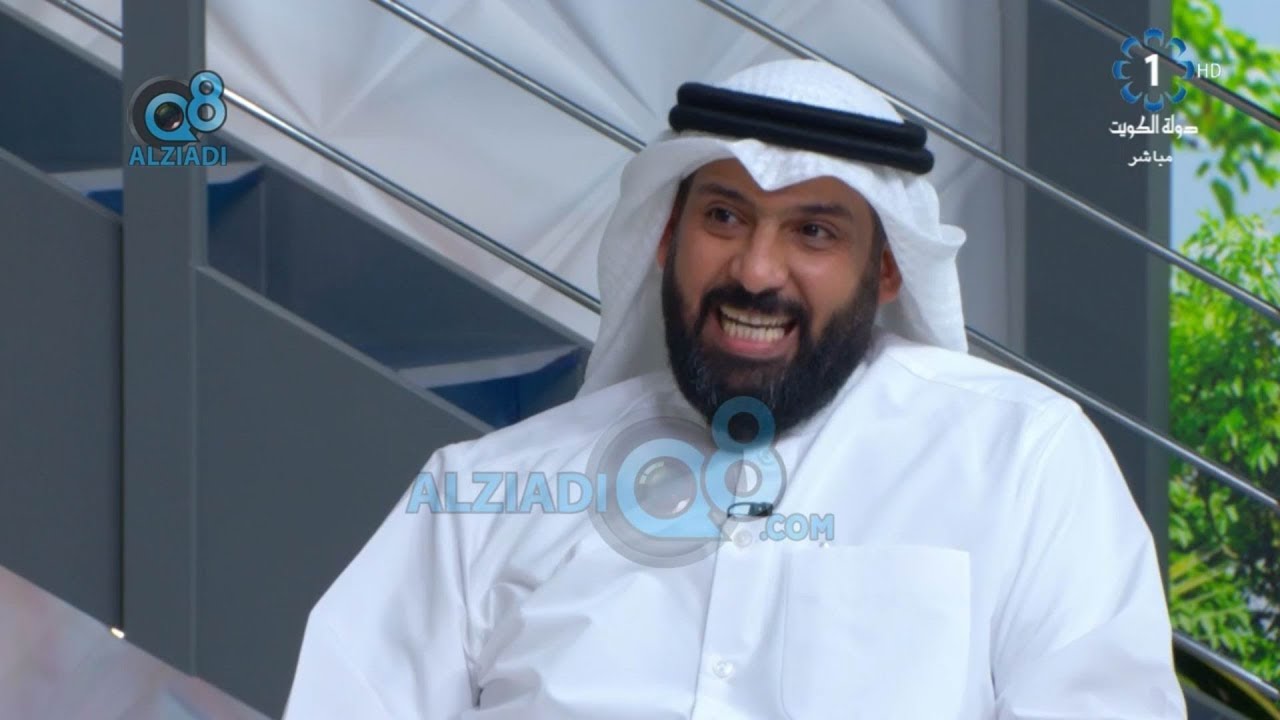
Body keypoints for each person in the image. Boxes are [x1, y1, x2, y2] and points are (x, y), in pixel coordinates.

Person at [282, 59, 1186, 719]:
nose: (755, 271)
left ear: (886, 271)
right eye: (724, 216)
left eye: (814, 232)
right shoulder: (484, 494)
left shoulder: (1022, 462)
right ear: (666, 236)